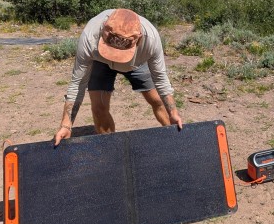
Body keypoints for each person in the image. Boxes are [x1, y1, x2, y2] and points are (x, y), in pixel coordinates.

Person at [54, 8, 183, 145]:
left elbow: (160, 78)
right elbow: (78, 83)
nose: (116, 57)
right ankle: (111, 150)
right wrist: (66, 125)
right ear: (104, 30)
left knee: (158, 101)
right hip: (100, 60)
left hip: (136, 62)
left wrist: (173, 112)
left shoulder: (151, 39)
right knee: (99, 108)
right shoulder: (89, 37)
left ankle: (175, 145)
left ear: (138, 39)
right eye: (112, 50)